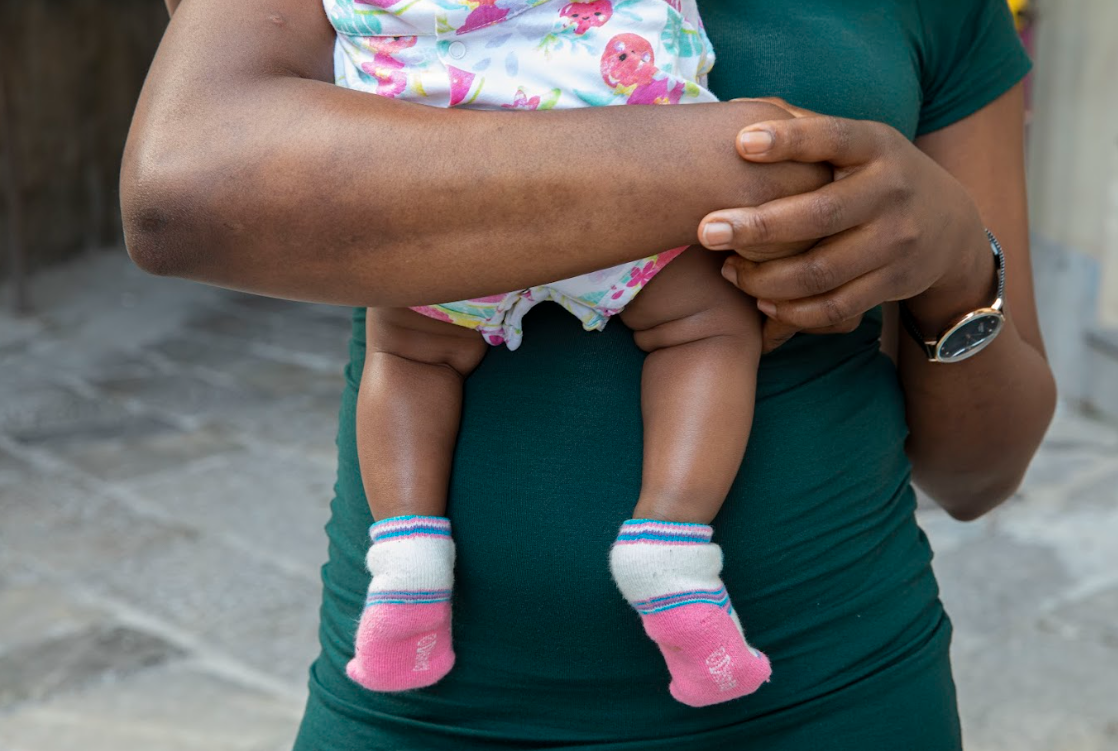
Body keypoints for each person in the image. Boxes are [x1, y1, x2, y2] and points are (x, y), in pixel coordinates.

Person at [123, 0, 1055, 748]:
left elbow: (981, 472)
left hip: (838, 698)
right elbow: (180, 189)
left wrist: (956, 265)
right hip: (425, 715)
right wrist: (734, 159)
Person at [332, 0, 828, 705]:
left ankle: (405, 561)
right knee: (705, 330)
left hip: (434, 179)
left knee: (412, 353)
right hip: (627, 154)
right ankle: (671, 547)